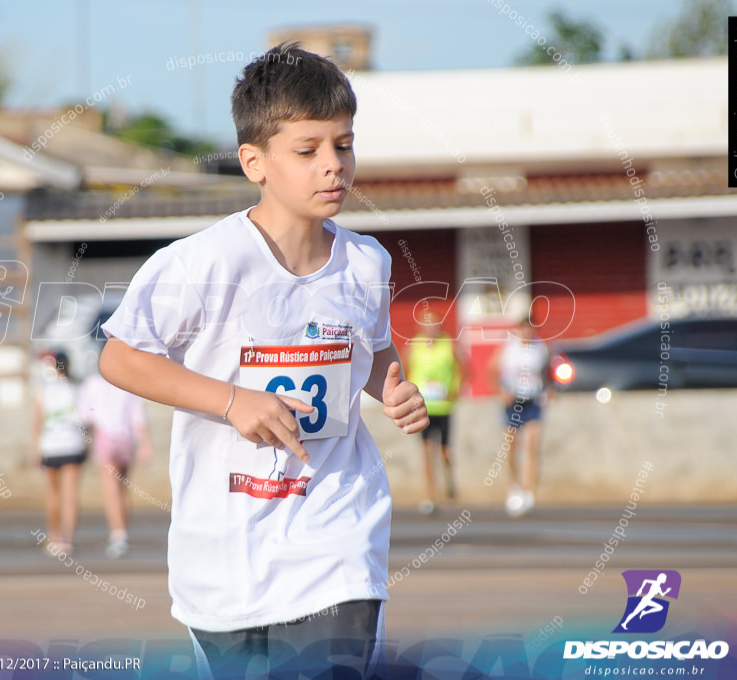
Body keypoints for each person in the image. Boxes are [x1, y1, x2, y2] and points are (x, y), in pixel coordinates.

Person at [98, 42, 429, 679]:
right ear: (255, 161)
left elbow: (374, 353)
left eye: (344, 145)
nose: (333, 166)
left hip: (335, 533)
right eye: (308, 151)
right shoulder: (202, 263)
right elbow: (120, 359)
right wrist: (232, 400)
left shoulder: (366, 262)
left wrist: (394, 392)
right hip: (222, 550)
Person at [79, 370, 153, 559]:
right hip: (126, 438)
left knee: (111, 488)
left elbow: (85, 417)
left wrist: (86, 441)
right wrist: (144, 443)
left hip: (105, 437)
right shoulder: (127, 381)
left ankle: (118, 535)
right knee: (122, 487)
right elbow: (138, 416)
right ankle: (122, 532)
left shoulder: (92, 383)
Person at [489, 315, 552, 518]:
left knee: (532, 446)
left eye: (531, 328)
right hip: (513, 402)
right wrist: (501, 391)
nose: (528, 332)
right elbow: (490, 370)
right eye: (524, 328)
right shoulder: (508, 349)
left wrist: (550, 388)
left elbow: (548, 372)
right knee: (511, 447)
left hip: (533, 400)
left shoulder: (541, 348)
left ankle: (529, 491)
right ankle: (514, 485)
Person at [405, 309, 462, 515]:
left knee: (445, 451)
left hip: (444, 406)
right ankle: (431, 495)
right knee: (427, 451)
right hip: (423, 407)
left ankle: (449, 478)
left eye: (434, 324)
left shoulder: (449, 345)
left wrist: (454, 391)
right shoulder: (415, 346)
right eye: (426, 324)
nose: (431, 329)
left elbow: (462, 368)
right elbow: (404, 368)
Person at [31, 350, 88, 553]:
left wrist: (35, 449)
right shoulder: (76, 388)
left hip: (51, 444)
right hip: (73, 443)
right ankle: (69, 538)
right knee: (70, 494)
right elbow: (84, 419)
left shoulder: (43, 390)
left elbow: (38, 421)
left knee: (53, 493)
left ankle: (55, 536)